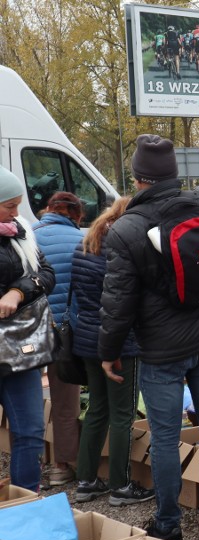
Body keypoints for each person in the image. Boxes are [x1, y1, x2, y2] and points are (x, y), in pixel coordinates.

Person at [98, 106, 199, 540]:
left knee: (166, 439)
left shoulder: (126, 229)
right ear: (171, 173)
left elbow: (118, 303)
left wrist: (109, 351)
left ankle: (169, 525)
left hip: (162, 352)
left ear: (137, 178)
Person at [72, 197, 155, 506]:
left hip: (87, 338)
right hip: (121, 342)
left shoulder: (87, 244)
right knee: (122, 415)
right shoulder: (126, 251)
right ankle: (121, 485)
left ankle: (86, 480)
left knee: (96, 409)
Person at [0, 165, 55, 492]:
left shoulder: (21, 231)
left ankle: (26, 502)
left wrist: (17, 291)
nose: (17, 213)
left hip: (19, 349)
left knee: (32, 431)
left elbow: (46, 273)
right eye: (10, 206)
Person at [33, 191, 85, 487]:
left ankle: (30, 462)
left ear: (48, 210)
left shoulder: (28, 234)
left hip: (29, 331)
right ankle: (61, 466)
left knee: (26, 399)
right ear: (76, 214)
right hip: (66, 331)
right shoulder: (81, 241)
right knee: (66, 400)